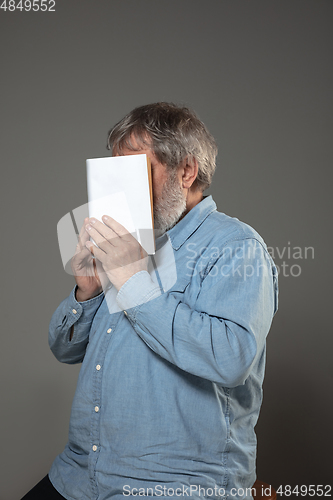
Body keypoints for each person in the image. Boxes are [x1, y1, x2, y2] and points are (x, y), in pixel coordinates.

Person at [22, 102, 278, 500]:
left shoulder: (236, 246)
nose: (121, 190)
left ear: (186, 171)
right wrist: (85, 293)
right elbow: (64, 349)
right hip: (79, 475)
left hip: (170, 484)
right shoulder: (132, 240)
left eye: (137, 172)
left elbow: (230, 360)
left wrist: (134, 281)